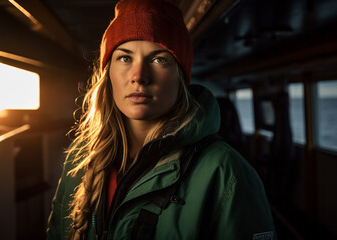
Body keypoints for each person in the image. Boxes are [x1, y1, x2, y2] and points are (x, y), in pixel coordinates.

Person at [46, 0, 277, 239]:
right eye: (125, 58)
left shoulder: (226, 172)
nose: (139, 76)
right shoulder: (80, 157)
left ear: (180, 77)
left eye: (159, 60)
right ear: (108, 74)